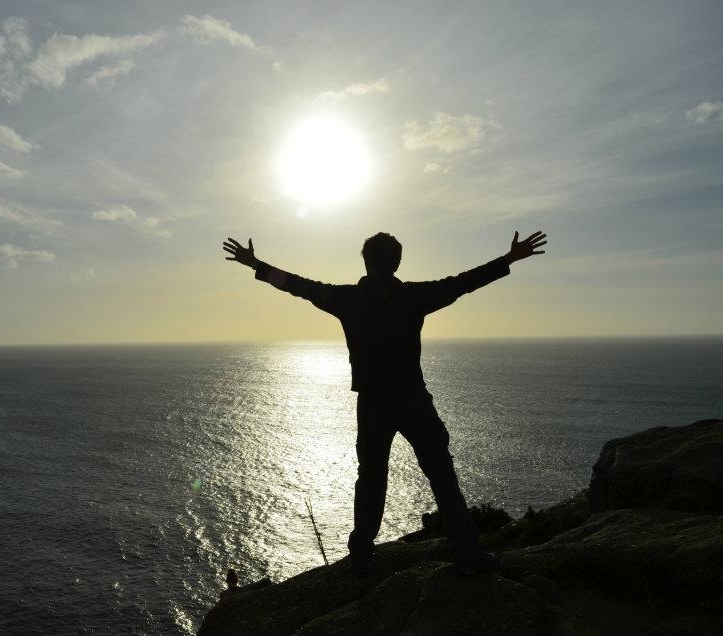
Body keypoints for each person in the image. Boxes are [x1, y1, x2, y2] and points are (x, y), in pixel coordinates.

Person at [221, 230, 548, 575]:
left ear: (366, 260)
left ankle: (362, 555)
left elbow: (298, 285)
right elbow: (463, 282)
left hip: (373, 403)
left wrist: (255, 264)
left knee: (372, 477)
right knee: (441, 475)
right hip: (413, 400)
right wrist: (509, 259)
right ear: (396, 262)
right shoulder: (414, 296)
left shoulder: (348, 299)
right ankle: (467, 554)